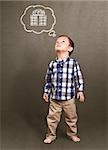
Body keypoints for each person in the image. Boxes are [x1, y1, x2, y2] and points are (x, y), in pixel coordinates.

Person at [43, 35, 85, 144]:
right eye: (57, 41)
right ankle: (51, 135)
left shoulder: (73, 63)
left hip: (69, 99)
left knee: (71, 118)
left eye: (62, 41)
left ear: (70, 48)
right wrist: (46, 92)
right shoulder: (52, 64)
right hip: (55, 99)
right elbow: (48, 79)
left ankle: (72, 134)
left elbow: (78, 77)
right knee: (52, 119)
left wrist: (80, 90)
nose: (58, 42)